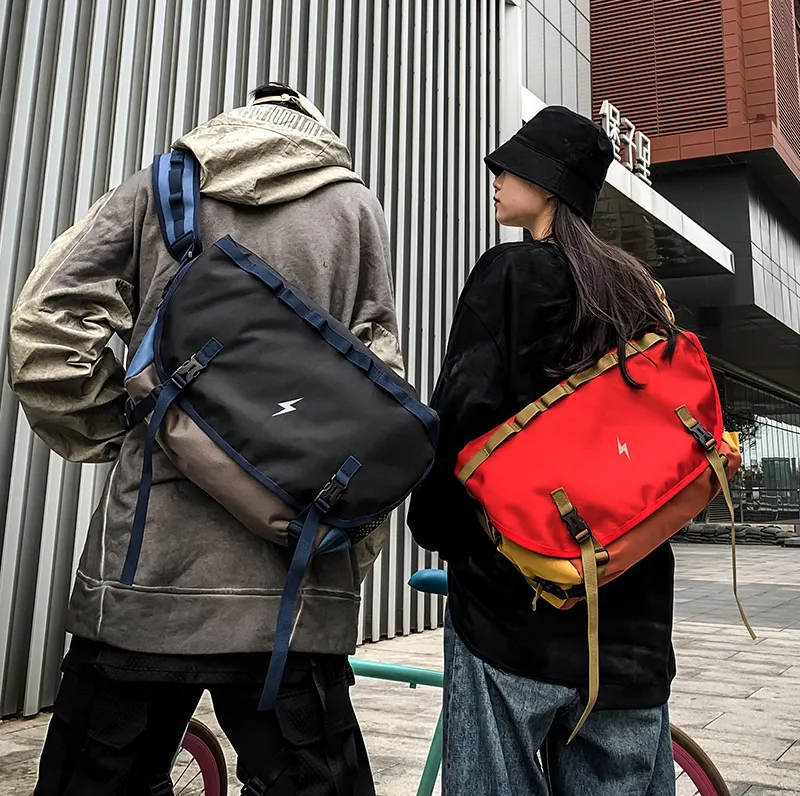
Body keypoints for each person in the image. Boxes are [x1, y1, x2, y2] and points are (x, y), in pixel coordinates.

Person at [9, 83, 399, 796]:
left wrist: (130, 427)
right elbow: (380, 392)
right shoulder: (356, 206)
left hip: (147, 577)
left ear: (230, 124)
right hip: (294, 590)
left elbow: (46, 326)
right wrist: (348, 541)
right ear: (317, 130)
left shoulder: (165, 182)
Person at [408, 106, 680, 795]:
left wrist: (438, 530)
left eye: (513, 165)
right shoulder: (640, 292)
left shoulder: (510, 274)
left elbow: (461, 420)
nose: (496, 174)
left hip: (514, 605)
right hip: (631, 614)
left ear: (552, 185)